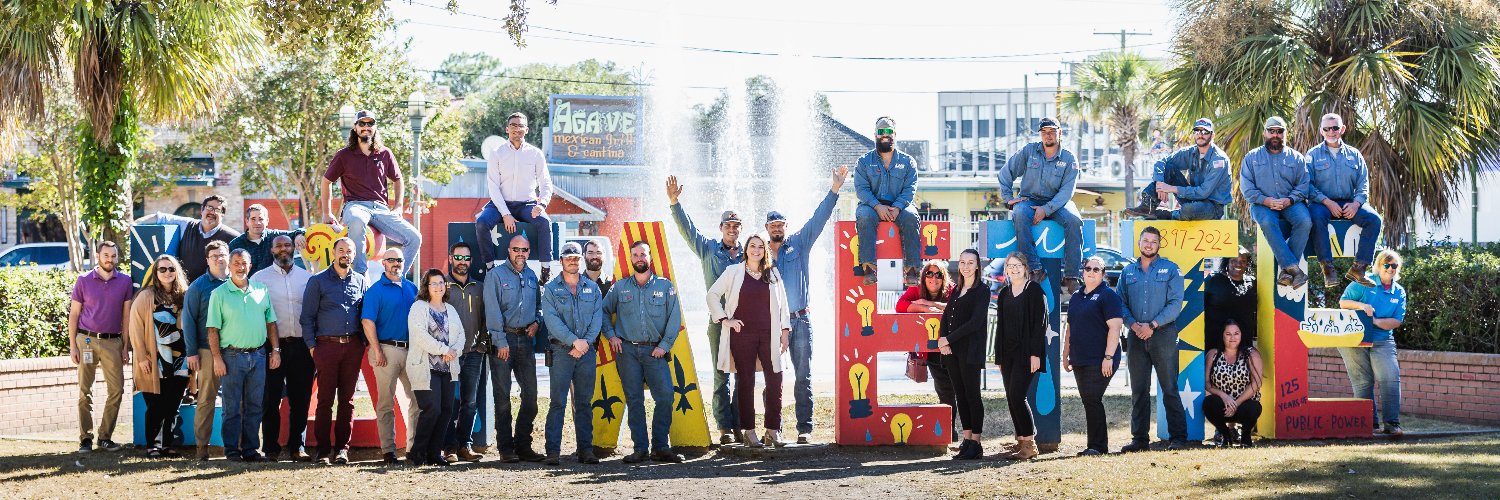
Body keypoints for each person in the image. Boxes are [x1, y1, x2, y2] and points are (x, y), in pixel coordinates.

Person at [765, 166, 845, 444]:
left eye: (780, 225)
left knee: (803, 377)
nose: (777, 229)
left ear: (786, 227)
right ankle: (774, 428)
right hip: (772, 324)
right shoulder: (758, 254)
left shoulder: (799, 243)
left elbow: (818, 219)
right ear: (766, 229)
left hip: (800, 320)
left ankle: (804, 428)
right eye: (772, 226)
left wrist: (834, 189)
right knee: (772, 378)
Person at [665, 175, 745, 444]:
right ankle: (724, 427)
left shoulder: (750, 254)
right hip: (719, 323)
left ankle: (740, 425)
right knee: (721, 375)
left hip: (745, 324)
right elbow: (689, 231)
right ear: (721, 227)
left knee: (744, 376)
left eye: (736, 226)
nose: (732, 229)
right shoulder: (709, 250)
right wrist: (675, 203)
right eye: (728, 225)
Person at [602, 241, 686, 463]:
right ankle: (640, 448)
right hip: (627, 352)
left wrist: (664, 345)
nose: (640, 258)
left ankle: (660, 446)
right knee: (634, 399)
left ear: (650, 258)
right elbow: (602, 312)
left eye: (643, 254)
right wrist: (611, 335)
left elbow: (674, 318)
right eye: (635, 254)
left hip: (655, 351)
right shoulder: (619, 288)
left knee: (666, 395)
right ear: (630, 259)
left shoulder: (665, 286)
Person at [706, 235, 791, 448]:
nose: (756, 250)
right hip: (742, 335)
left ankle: (772, 430)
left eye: (760, 246)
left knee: (775, 380)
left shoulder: (773, 273)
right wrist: (725, 319)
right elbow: (712, 295)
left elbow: (784, 306)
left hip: (769, 335)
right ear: (745, 249)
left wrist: (785, 331)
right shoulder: (733, 272)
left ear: (765, 250)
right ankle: (749, 431)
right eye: (752, 246)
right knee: (745, 382)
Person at [320, 110, 421, 276]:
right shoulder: (344, 155)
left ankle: (395, 278)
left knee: (415, 238)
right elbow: (326, 181)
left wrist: (398, 206)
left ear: (375, 127)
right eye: (362, 124)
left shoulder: (385, 153)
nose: (366, 127)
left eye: (370, 124)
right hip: (355, 206)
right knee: (357, 220)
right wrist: (326, 212)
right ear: (355, 128)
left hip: (381, 209)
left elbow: (398, 179)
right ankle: (359, 275)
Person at [206, 249, 281, 461]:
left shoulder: (261, 290)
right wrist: (217, 358)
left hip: (258, 356)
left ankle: (250, 450)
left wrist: (275, 350)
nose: (240, 267)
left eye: (244, 263)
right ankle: (232, 451)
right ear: (229, 266)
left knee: (255, 406)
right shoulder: (219, 294)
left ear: (250, 266)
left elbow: (271, 323)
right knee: (231, 408)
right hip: (231, 357)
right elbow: (212, 329)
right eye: (236, 263)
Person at [1117, 226, 1188, 452]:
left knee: (1169, 387)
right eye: (1145, 240)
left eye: (1153, 241)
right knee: (1139, 389)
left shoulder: (1171, 270)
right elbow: (1120, 303)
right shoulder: (1127, 272)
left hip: (1163, 334)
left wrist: (1153, 325)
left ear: (1159, 244)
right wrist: (1133, 324)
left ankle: (1178, 437)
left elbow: (1176, 304)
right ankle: (1139, 439)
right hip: (1136, 335)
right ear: (1139, 243)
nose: (1149, 244)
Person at [300, 237, 368, 465]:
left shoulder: (360, 281)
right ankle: (322, 450)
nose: (345, 254)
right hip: (325, 347)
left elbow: (365, 315)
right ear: (333, 252)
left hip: (352, 347)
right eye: (341, 250)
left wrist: (364, 344)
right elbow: (307, 317)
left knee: (347, 401)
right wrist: (312, 347)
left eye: (349, 251)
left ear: (354, 254)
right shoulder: (317, 281)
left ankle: (341, 449)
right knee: (325, 400)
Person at [997, 117, 1084, 293]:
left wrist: (1046, 210)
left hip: (1058, 202)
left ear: (1060, 133)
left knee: (1074, 221)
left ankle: (1071, 276)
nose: (1048, 135)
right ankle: (1035, 269)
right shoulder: (1029, 151)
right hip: (1029, 200)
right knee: (1019, 214)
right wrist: (1008, 198)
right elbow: (1005, 173)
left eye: (1052, 131)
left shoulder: (1069, 158)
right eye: (1044, 132)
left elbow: (1067, 192)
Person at [539, 243, 604, 465]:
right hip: (560, 351)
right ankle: (553, 452)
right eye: (569, 258)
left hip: (586, 352)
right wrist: (573, 341)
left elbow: (597, 318)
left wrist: (584, 343)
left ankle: (585, 450)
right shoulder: (550, 289)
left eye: (576, 258)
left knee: (584, 403)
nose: (573, 261)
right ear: (561, 260)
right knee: (558, 402)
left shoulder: (592, 288)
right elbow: (551, 320)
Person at [482, 234, 544, 463]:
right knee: (503, 398)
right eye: (516, 249)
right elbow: (492, 310)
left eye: (525, 250)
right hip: (503, 341)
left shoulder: (531, 276)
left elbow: (539, 305)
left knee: (532, 396)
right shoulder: (495, 275)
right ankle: (506, 448)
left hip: (525, 341)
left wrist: (537, 322)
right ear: (509, 250)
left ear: (529, 252)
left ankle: (523, 445)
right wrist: (500, 341)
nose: (521, 254)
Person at [251, 235, 314, 461]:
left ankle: (298, 447)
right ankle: (271, 448)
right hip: (272, 348)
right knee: (270, 399)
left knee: (301, 399)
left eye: (287, 245)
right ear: (272, 250)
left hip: (302, 346)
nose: (283, 249)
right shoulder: (259, 279)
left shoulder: (308, 278)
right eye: (278, 246)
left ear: (293, 248)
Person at [68, 240, 133, 454]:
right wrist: (72, 346)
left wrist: (125, 347)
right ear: (98, 256)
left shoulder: (124, 281)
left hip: (113, 342)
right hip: (86, 341)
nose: (110, 260)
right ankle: (85, 438)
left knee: (117, 390)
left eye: (113, 256)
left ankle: (105, 437)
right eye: (106, 255)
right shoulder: (83, 280)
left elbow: (126, 316)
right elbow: (74, 315)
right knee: (84, 391)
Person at [1338, 248, 1408, 436]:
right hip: (1354, 338)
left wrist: (1375, 321)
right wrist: (1362, 306)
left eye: (1394, 265)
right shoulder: (1364, 282)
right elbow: (1343, 302)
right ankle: (1368, 425)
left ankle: (1392, 424)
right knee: (1362, 382)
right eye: (1387, 265)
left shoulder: (1399, 291)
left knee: (1390, 378)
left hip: (1382, 339)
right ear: (1379, 266)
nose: (1390, 269)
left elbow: (1396, 321)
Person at [1307, 112, 1382, 287]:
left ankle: (1359, 268)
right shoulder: (1312, 155)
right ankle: (1327, 268)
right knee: (1315, 217)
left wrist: (1356, 204)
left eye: (1335, 128)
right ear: (1321, 131)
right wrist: (1327, 202)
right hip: (1322, 203)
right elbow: (1307, 186)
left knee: (1374, 220)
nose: (1331, 132)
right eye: (1327, 128)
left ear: (1342, 129)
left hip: (1349, 202)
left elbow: (1363, 184)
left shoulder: (1354, 154)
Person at [476, 112, 554, 279]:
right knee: (482, 223)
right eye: (513, 125)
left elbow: (546, 183)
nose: (516, 129)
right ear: (507, 129)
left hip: (527, 204)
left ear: (526, 129)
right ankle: (489, 266)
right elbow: (493, 187)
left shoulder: (535, 154)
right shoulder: (497, 153)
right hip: (500, 204)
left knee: (545, 222)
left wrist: (542, 205)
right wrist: (506, 214)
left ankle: (546, 269)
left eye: (520, 126)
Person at [361, 247, 419, 463]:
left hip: (411, 351)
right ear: (384, 263)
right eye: (391, 260)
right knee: (386, 403)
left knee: (416, 400)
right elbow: (367, 322)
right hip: (386, 351)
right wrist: (377, 351)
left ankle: (414, 448)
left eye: (400, 260)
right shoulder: (376, 291)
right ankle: (389, 450)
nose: (396, 264)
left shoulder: (412, 288)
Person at [1241, 116, 1314, 288]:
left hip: (1290, 202)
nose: (1275, 135)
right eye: (1271, 131)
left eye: (1279, 131)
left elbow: (1303, 185)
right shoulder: (1251, 157)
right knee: (1267, 222)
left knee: (1305, 221)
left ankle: (1286, 271)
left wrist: (1289, 200)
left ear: (1284, 134)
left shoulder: (1296, 158)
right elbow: (1247, 188)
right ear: (1264, 133)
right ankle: (1294, 269)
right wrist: (1266, 201)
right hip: (1262, 204)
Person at [1062, 255, 1125, 456]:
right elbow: (1069, 327)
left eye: (1096, 269)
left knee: (1092, 398)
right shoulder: (1077, 296)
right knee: (1089, 400)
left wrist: (1108, 358)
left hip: (1101, 360)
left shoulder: (1108, 296)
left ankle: (1098, 446)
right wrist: (1065, 354)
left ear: (1103, 274)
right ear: (1082, 272)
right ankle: (1094, 445)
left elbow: (1115, 328)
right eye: (1088, 268)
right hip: (1080, 358)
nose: (1091, 272)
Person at [127, 254, 188, 458]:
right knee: (155, 405)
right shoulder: (146, 296)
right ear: (155, 273)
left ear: (176, 271)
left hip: (180, 359)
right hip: (155, 360)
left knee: (173, 405)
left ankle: (168, 445)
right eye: (162, 269)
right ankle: (153, 445)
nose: (167, 273)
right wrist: (142, 357)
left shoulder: (184, 295)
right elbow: (135, 329)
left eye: (171, 269)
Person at [406, 269, 466, 466]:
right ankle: (417, 452)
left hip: (448, 369)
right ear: (426, 287)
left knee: (447, 410)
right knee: (431, 409)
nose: (439, 286)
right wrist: (443, 349)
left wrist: (454, 351)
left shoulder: (450, 309)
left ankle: (434, 453)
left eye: (441, 283)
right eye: (434, 283)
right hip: (425, 367)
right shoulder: (419, 307)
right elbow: (420, 336)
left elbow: (461, 336)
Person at [991, 251, 1048, 460]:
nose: (1014, 269)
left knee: (1018, 395)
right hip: (1008, 354)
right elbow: (1001, 327)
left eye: (1018, 265)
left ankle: (1030, 443)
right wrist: (999, 357)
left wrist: (1035, 354)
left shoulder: (1034, 290)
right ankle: (1021, 442)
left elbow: (1039, 325)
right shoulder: (1005, 292)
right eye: (1010, 265)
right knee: (1010, 397)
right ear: (1006, 269)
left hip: (1027, 354)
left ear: (1025, 268)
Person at [853, 116, 921, 287]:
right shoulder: (863, 162)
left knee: (912, 217)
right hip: (871, 205)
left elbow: (910, 188)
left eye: (888, 132)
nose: (885, 135)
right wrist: (877, 206)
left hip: (901, 206)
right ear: (875, 135)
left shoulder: (908, 162)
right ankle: (869, 268)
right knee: (864, 217)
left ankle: (912, 269)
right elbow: (861, 189)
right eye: (881, 132)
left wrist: (897, 207)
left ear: (895, 134)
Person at [896, 260, 958, 445]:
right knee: (944, 388)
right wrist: (923, 304)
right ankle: (949, 430)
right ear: (924, 276)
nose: (933, 278)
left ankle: (954, 429)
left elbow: (959, 308)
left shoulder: (952, 289)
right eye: (929, 274)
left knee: (954, 389)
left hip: (951, 346)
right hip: (930, 350)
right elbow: (900, 306)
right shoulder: (917, 290)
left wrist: (935, 306)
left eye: (938, 274)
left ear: (944, 277)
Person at [937, 249, 991, 460]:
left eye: (970, 263)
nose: (966, 266)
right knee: (960, 395)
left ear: (977, 266)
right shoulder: (956, 289)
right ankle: (967, 439)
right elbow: (946, 317)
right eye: (962, 262)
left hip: (970, 351)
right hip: (952, 352)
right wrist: (943, 340)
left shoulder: (982, 290)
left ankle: (976, 443)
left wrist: (948, 339)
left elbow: (975, 322)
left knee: (972, 396)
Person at [1124, 118, 1233, 221]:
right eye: (1197, 131)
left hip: (1212, 207)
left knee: (1189, 210)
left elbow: (1203, 192)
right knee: (1169, 167)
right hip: (1193, 199)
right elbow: (1161, 162)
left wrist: (1171, 188)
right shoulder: (1190, 152)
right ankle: (1147, 206)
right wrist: (1160, 183)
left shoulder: (1219, 160)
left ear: (1212, 135)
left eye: (1205, 132)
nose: (1200, 135)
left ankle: (1168, 214)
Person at [182, 240, 230, 460]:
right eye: (215, 256)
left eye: (223, 255)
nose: (220, 259)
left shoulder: (238, 282)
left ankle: (236, 447)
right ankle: (202, 448)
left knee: (236, 399)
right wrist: (192, 352)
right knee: (206, 399)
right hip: (206, 351)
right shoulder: (198, 286)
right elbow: (188, 321)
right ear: (207, 260)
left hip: (234, 350)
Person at [443, 242, 489, 462]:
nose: (462, 262)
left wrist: (481, 345)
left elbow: (486, 319)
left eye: (466, 258)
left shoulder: (480, 287)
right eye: (458, 257)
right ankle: (449, 447)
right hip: (448, 355)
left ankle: (465, 446)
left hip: (473, 353)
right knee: (449, 402)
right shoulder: (442, 286)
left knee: (469, 402)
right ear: (451, 258)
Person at [135, 195, 242, 282]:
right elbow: (160, 217)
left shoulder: (233, 237)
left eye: (217, 210)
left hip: (215, 290)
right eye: (209, 207)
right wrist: (135, 224)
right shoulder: (187, 225)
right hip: (184, 290)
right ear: (202, 210)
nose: (212, 212)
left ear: (222, 214)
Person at [1203, 320, 1264, 448]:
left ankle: (1246, 436)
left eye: (1236, 333)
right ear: (1222, 335)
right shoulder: (1213, 354)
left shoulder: (1251, 354)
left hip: (1244, 406)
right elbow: (1207, 383)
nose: (1232, 337)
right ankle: (1225, 434)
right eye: (1228, 334)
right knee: (1208, 403)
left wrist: (1236, 403)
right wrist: (1225, 397)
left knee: (1254, 407)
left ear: (1241, 335)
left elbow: (1257, 383)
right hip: (1223, 407)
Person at [1205, 248, 1257, 353]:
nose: (1238, 264)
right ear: (1227, 262)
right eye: (1234, 260)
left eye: (1243, 261)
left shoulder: (1253, 283)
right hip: (1215, 341)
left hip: (1243, 342)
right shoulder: (1214, 280)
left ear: (1247, 264)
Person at [230, 203, 305, 276]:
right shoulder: (236, 244)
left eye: (261, 219)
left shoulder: (275, 237)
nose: (257, 223)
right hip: (248, 287)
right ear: (247, 221)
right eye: (253, 219)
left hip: (274, 286)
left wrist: (299, 235)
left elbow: (299, 232)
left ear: (267, 221)